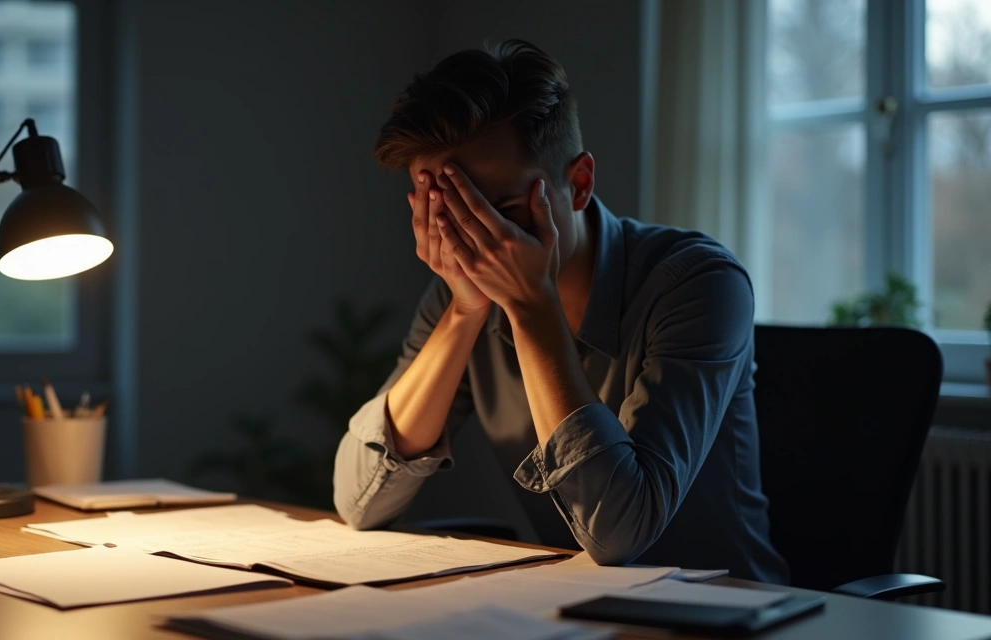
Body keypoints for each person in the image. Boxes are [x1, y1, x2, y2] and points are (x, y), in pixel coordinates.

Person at [332, 39, 789, 583]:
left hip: (729, 614)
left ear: (577, 185)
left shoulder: (699, 283)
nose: (475, 244)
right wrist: (463, 312)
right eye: (448, 215)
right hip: (569, 609)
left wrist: (531, 309)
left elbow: (621, 534)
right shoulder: (461, 293)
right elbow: (359, 501)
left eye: (497, 212)